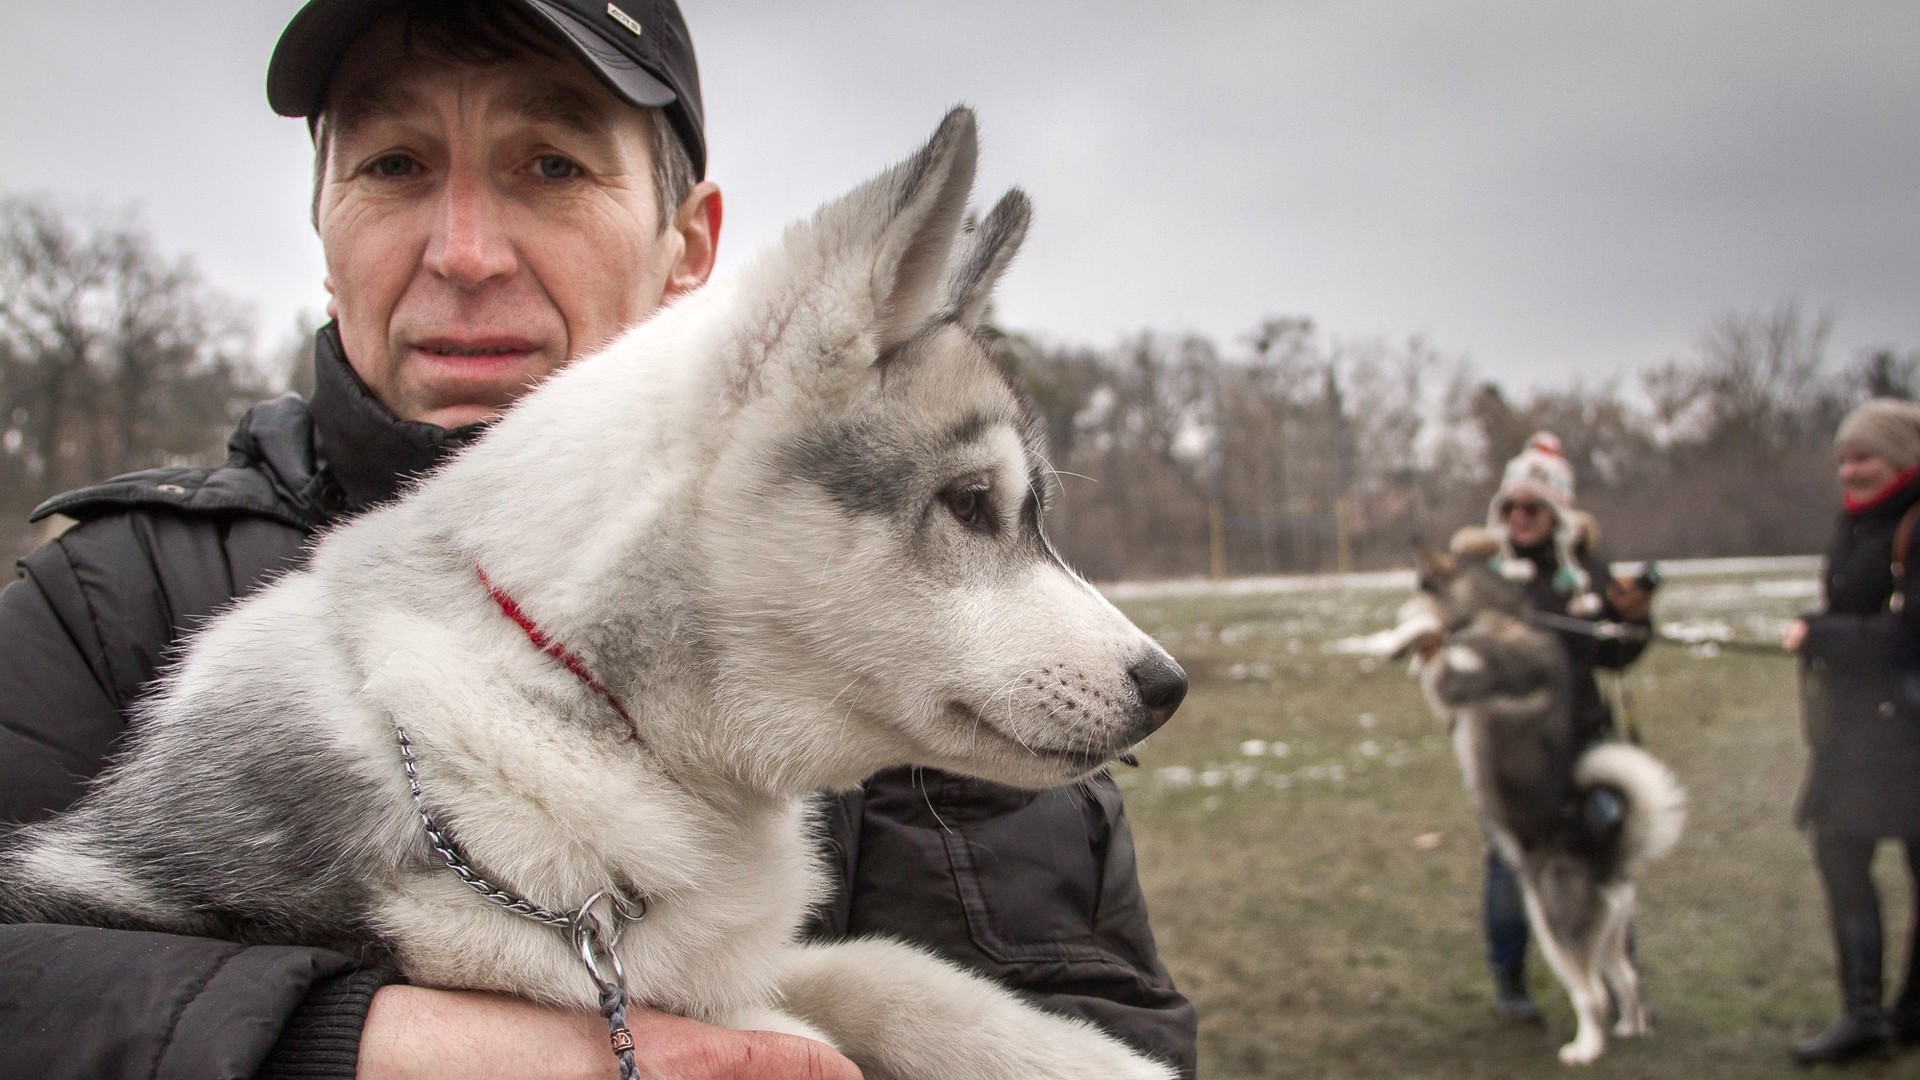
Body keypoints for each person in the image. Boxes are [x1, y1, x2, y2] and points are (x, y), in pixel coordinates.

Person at [0, 3, 1197, 1078]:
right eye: (395, 163)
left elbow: (1102, 1018)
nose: (464, 252)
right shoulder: (110, 596)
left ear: (690, 245)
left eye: (553, 165)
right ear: (324, 228)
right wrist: (362, 1044)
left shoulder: (897, 654)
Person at [1463, 432, 1654, 1022]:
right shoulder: (1488, 575)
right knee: (1512, 863)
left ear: (1558, 513)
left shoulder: (1589, 573)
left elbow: (1614, 658)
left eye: (1533, 507)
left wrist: (1634, 621)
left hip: (1582, 739)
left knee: (1607, 853)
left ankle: (1624, 979)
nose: (1520, 518)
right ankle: (1510, 979)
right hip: (1516, 751)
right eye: (1511, 508)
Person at [1780, 397, 1920, 1066]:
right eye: (1841, 458)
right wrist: (1819, 627)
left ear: (1901, 458)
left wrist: (1823, 634)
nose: (1848, 469)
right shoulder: (1858, 524)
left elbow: (1910, 632)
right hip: (1857, 730)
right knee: (1840, 852)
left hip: (1909, 731)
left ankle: (1908, 1009)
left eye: (1862, 456)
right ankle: (1864, 1013)